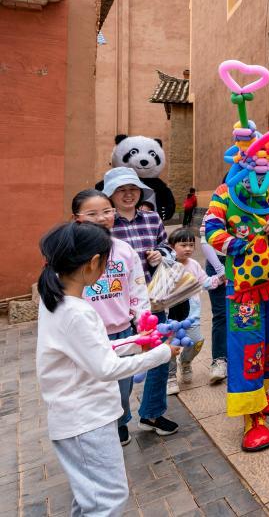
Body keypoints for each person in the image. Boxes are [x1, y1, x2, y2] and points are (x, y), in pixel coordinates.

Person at [36, 222, 176, 516]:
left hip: (77, 417)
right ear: (94, 262)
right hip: (87, 420)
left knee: (91, 499)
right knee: (108, 499)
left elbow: (92, 353)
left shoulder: (58, 300)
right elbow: (106, 367)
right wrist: (162, 354)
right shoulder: (76, 311)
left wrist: (139, 342)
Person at [203, 165, 269, 452]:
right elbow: (211, 230)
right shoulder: (225, 193)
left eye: (266, 166)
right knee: (248, 348)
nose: (260, 173)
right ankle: (252, 418)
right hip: (244, 289)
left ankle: (262, 394)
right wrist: (242, 245)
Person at [71, 189, 151, 446]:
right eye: (92, 213)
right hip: (87, 334)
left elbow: (137, 288)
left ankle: (120, 422)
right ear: (77, 218)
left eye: (106, 211)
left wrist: (143, 322)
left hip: (122, 332)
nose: (102, 218)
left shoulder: (124, 250)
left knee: (121, 387)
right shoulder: (70, 252)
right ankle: (95, 427)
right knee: (91, 385)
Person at [103, 166, 179, 436]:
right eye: (121, 190)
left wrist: (161, 254)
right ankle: (120, 420)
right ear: (110, 195)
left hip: (154, 300)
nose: (128, 194)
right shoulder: (105, 224)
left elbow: (167, 247)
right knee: (121, 363)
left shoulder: (151, 219)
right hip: (119, 307)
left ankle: (152, 413)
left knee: (160, 357)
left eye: (132, 189)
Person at [165, 228, 216, 396]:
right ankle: (170, 376)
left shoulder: (193, 265)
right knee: (170, 347)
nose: (188, 248)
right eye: (183, 245)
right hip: (169, 318)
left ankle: (185, 362)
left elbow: (206, 282)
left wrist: (219, 279)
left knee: (197, 341)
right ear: (172, 246)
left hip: (191, 316)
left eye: (191, 245)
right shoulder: (166, 265)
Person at [200, 223, 229, 384]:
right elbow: (205, 240)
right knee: (221, 314)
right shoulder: (216, 205)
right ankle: (219, 360)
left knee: (244, 312)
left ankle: (238, 358)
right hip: (216, 260)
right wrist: (220, 270)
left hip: (242, 260)